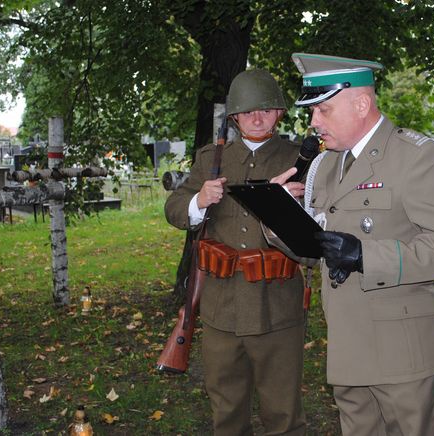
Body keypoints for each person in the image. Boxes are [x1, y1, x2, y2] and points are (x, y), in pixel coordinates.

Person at [291, 53, 434, 435]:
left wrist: (363, 255)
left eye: (323, 109)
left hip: (402, 353)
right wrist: (278, 216)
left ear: (361, 104)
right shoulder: (325, 165)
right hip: (348, 347)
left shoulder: (417, 157)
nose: (314, 122)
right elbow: (315, 248)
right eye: (312, 112)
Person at [164, 69, 306, 436]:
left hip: (277, 308)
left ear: (279, 113)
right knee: (226, 416)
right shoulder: (211, 158)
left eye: (265, 109)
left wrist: (290, 208)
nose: (256, 118)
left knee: (284, 417)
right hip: (221, 310)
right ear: (234, 118)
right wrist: (199, 199)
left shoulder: (301, 161)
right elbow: (175, 208)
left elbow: (321, 230)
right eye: (247, 112)